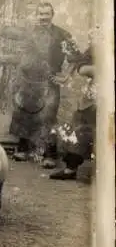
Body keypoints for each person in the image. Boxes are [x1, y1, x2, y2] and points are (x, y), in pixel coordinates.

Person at [0, 2, 83, 166]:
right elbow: (8, 32)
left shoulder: (62, 35)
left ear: (52, 14)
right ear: (37, 15)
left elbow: (76, 57)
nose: (43, 17)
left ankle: (50, 155)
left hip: (48, 83)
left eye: (46, 14)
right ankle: (23, 150)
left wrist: (66, 77)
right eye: (40, 14)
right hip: (27, 82)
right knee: (23, 113)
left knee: (48, 118)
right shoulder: (29, 31)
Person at [49, 44, 96, 180]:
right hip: (97, 93)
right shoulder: (100, 41)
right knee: (80, 123)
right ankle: (71, 168)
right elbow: (81, 63)